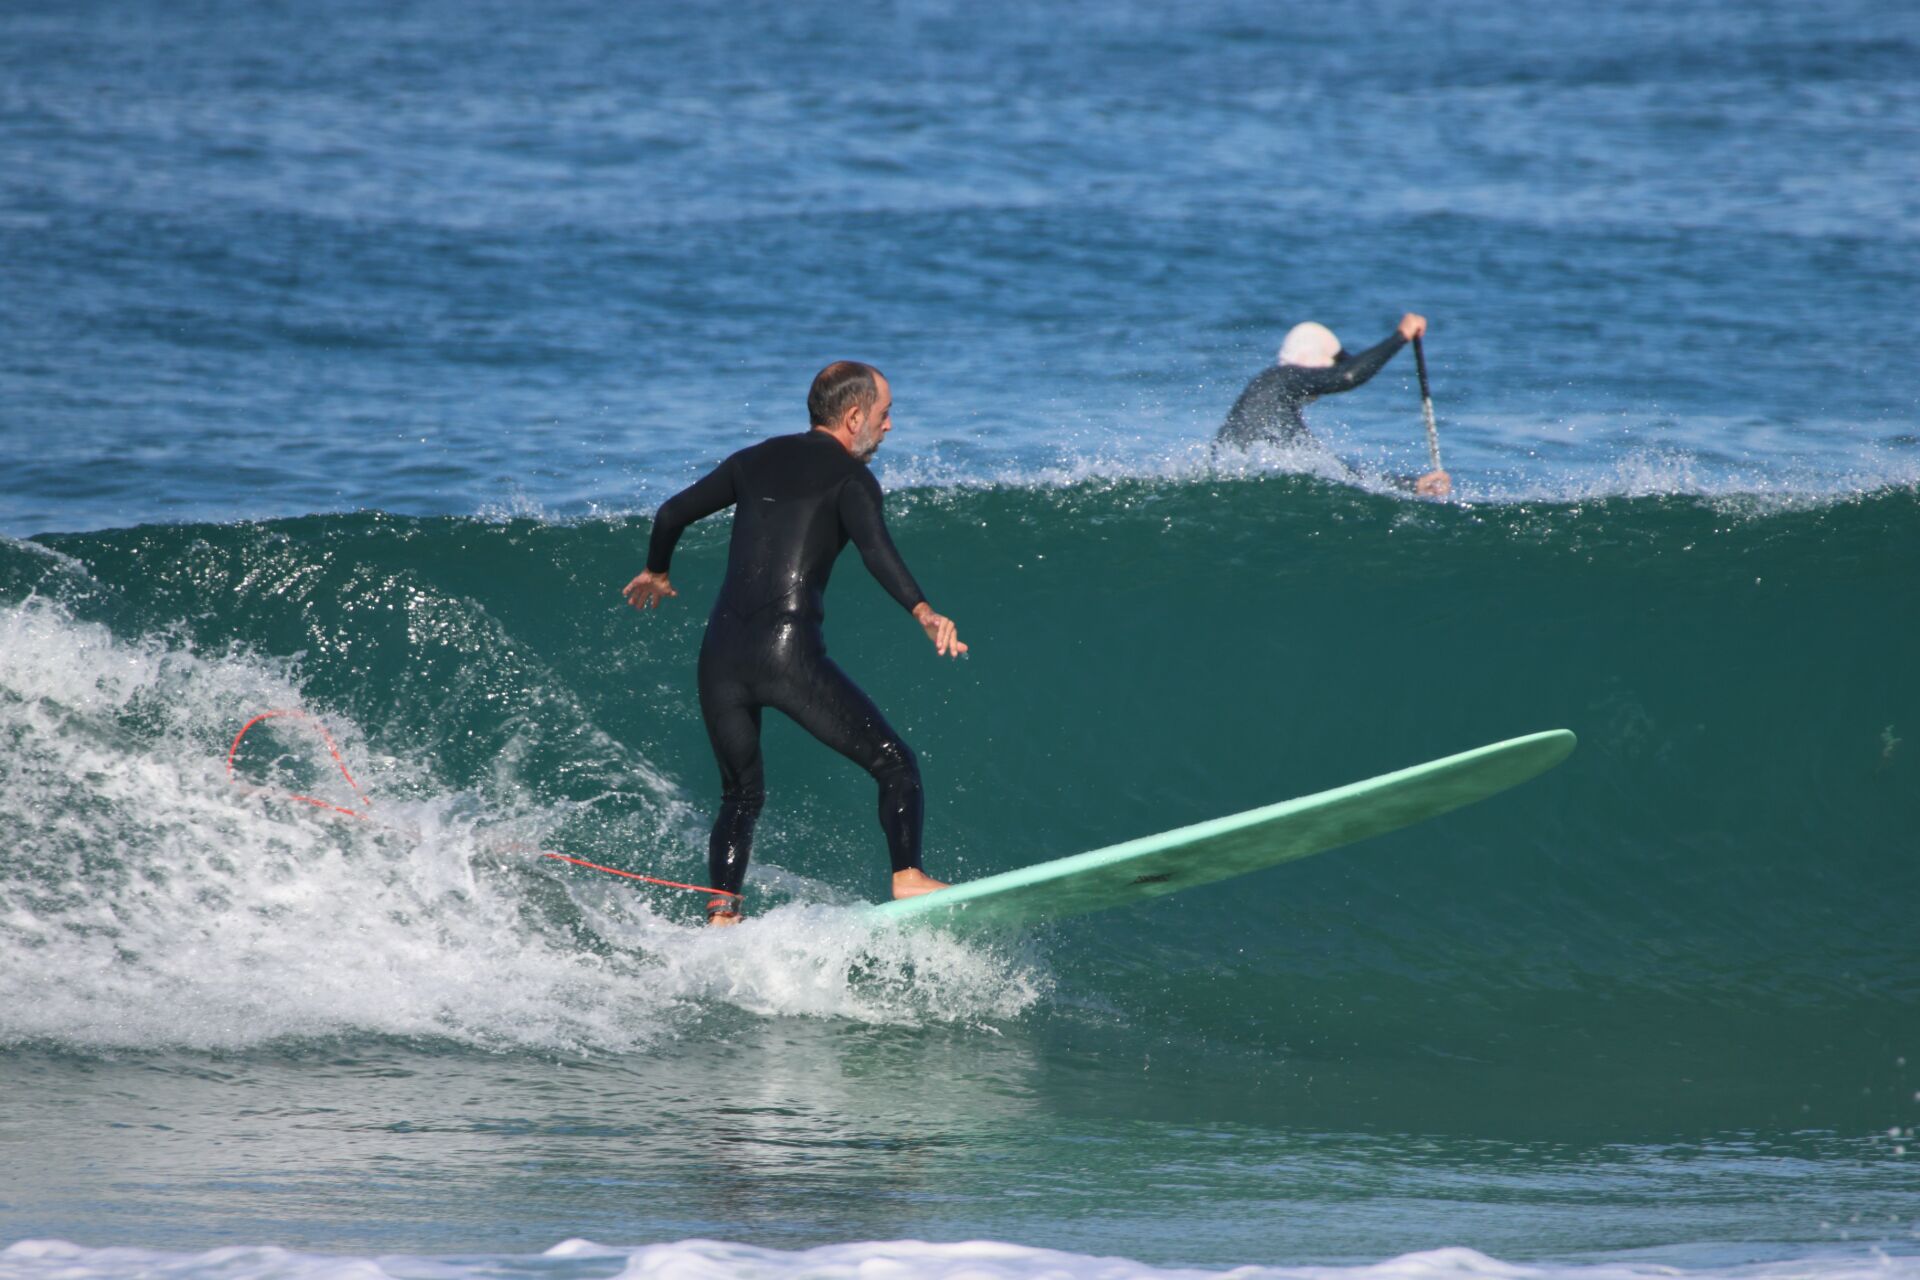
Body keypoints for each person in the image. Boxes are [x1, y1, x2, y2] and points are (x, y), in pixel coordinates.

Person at [622, 361, 964, 926]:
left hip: (721, 659)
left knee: (739, 797)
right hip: (787, 655)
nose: (889, 427)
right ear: (854, 416)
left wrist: (657, 570)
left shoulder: (752, 459)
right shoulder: (852, 480)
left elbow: (671, 513)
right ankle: (907, 877)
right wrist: (922, 609)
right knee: (896, 765)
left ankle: (722, 913)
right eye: (885, 415)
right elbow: (877, 552)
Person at [1215, 312, 1451, 497]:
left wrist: (1413, 484)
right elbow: (1348, 377)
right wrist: (1401, 336)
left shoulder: (1277, 403)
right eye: (1332, 367)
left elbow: (1335, 473)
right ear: (1314, 360)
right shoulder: (1282, 378)